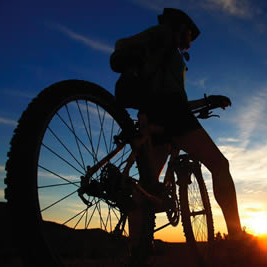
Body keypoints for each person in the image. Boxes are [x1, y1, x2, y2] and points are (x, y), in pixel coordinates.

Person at [111, 7, 242, 263]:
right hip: (173, 115)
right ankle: (238, 237)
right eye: (190, 35)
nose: (190, 41)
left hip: (157, 114)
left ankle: (138, 249)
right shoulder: (163, 35)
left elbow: (171, 94)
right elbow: (173, 100)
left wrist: (207, 101)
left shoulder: (166, 50)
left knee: (145, 186)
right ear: (181, 27)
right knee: (219, 164)